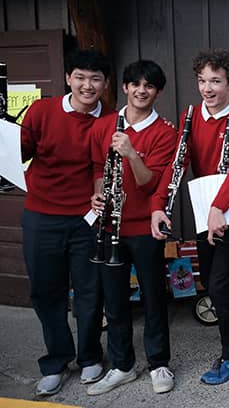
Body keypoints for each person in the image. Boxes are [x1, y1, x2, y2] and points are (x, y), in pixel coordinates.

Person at [150, 49, 229, 385]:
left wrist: (219, 207)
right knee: (210, 277)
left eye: (216, 81)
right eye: (202, 80)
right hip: (205, 207)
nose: (207, 88)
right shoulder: (191, 116)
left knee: (220, 283)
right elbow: (178, 163)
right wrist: (158, 203)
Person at [21, 49, 113, 396]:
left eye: (95, 79)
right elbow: (22, 151)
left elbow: (101, 168)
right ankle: (56, 361)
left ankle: (90, 355)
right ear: (68, 78)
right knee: (47, 292)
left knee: (90, 291)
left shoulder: (109, 120)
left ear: (105, 84)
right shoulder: (42, 110)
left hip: (86, 219)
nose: (87, 85)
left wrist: (98, 195)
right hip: (40, 215)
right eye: (81, 77)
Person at [86, 60, 177, 395]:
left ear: (158, 92)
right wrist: (97, 194)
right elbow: (98, 168)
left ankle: (159, 363)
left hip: (142, 227)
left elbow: (148, 184)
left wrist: (131, 153)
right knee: (115, 300)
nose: (141, 90)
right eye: (135, 84)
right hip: (110, 225)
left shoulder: (165, 133)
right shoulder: (104, 125)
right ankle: (122, 365)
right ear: (124, 87)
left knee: (153, 296)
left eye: (149, 86)